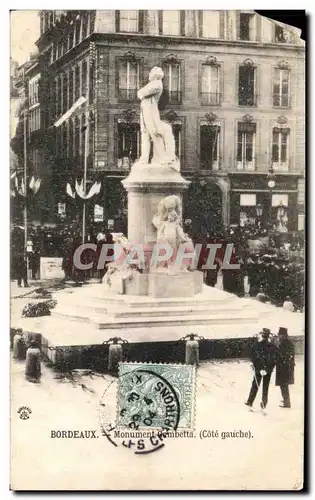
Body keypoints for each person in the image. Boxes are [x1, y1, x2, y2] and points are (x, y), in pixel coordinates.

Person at [245, 328, 278, 410]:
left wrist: (258, 368)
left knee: (255, 385)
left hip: (259, 369)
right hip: (268, 370)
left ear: (262, 336)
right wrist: (267, 369)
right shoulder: (273, 347)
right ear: (268, 336)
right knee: (265, 387)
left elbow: (254, 358)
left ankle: (250, 402)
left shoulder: (256, 345)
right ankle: (264, 403)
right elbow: (274, 360)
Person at [275, 327, 295, 408]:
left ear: (283, 335)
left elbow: (283, 355)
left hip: (284, 367)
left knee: (283, 385)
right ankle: (286, 400)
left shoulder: (285, 343)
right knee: (283, 385)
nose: (278, 336)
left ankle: (287, 403)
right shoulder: (286, 342)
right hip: (286, 367)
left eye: (279, 335)